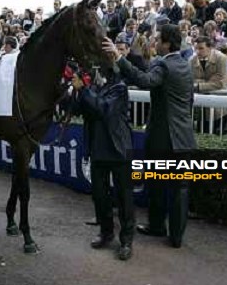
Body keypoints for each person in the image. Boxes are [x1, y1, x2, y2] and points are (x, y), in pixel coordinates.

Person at [102, 24, 197, 248]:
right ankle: (176, 237)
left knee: (156, 183)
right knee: (180, 188)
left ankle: (157, 226)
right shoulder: (185, 64)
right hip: (184, 136)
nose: (153, 43)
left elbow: (143, 80)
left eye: (157, 39)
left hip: (163, 137)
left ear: (167, 43)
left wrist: (118, 57)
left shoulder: (163, 64)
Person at [71, 66, 135, 261]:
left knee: (124, 197)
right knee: (99, 195)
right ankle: (106, 233)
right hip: (98, 149)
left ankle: (126, 240)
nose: (95, 71)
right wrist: (75, 89)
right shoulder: (94, 87)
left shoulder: (119, 87)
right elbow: (76, 109)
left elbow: (104, 109)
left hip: (118, 149)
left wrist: (83, 89)